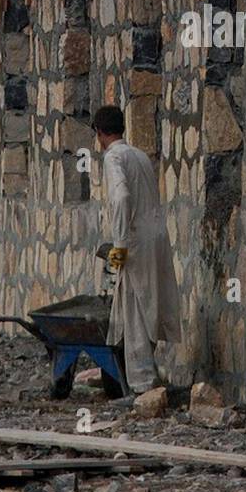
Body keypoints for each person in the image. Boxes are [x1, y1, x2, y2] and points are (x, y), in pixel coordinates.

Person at [93, 104, 181, 396]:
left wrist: (119, 247)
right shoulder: (141, 155)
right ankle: (149, 378)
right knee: (151, 301)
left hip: (134, 242)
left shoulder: (113, 156)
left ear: (100, 133)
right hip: (156, 236)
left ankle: (143, 385)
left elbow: (120, 197)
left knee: (134, 308)